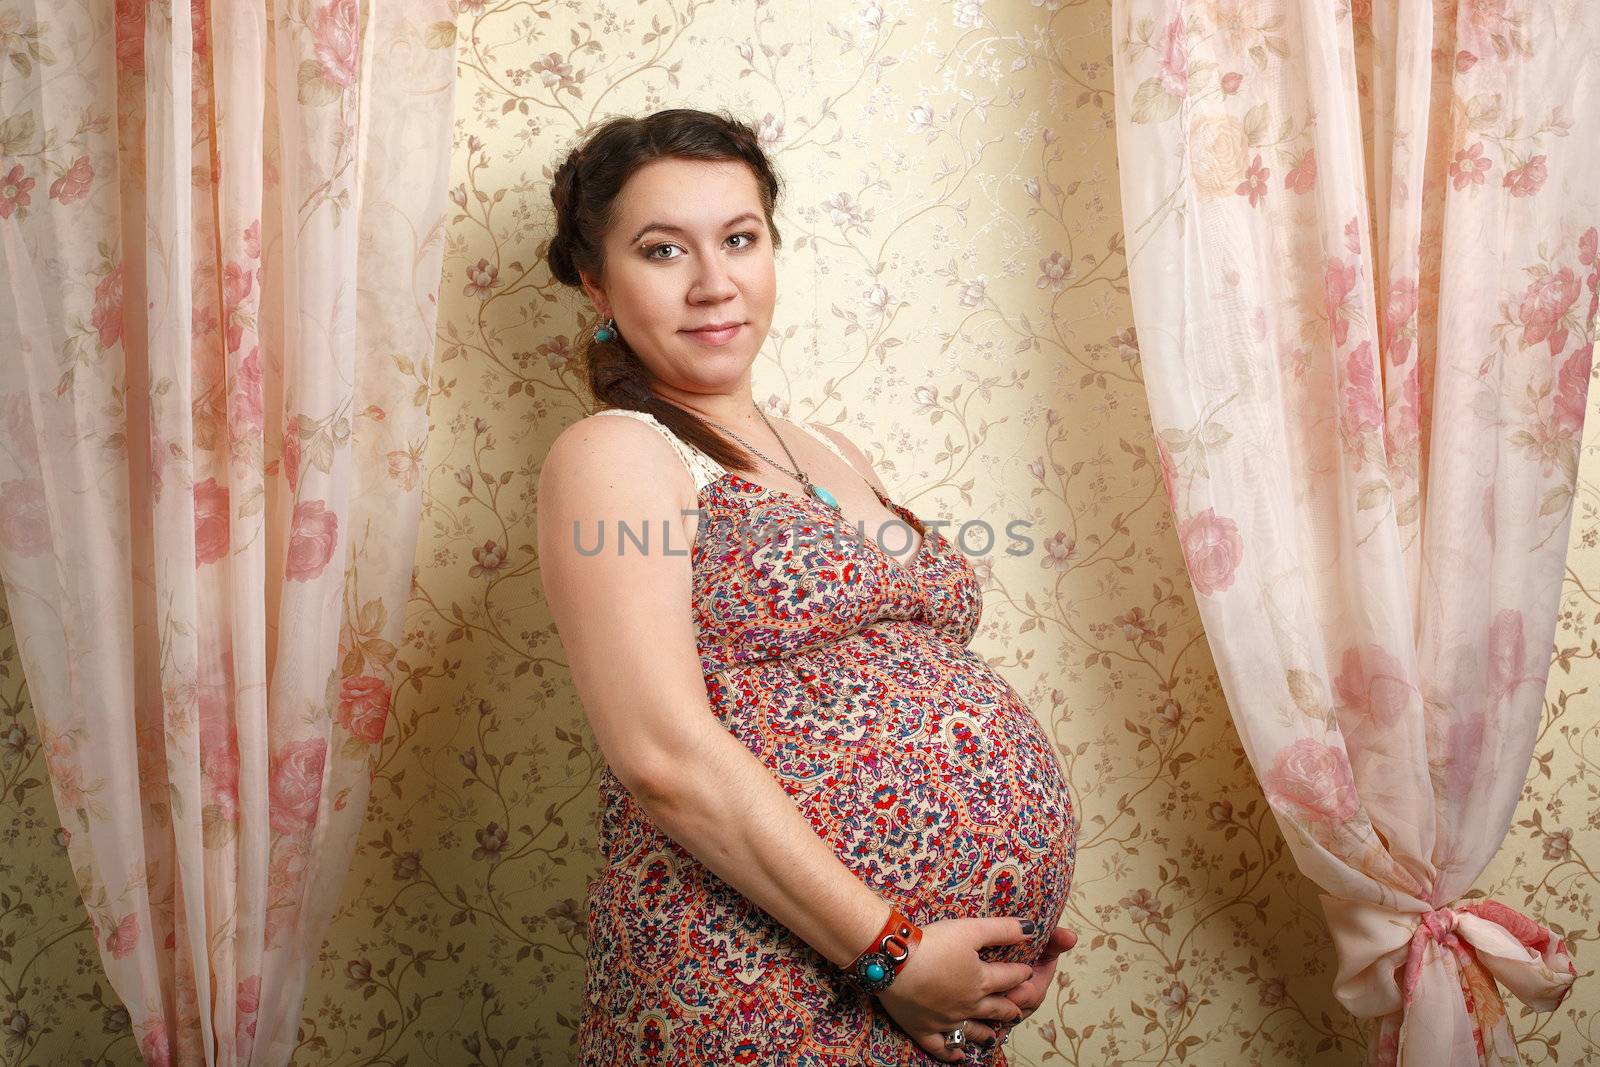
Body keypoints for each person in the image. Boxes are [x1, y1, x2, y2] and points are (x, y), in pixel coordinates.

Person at [535, 108, 1079, 1065]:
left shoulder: (832, 450)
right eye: (663, 251)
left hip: (912, 994)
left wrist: (996, 956)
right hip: (755, 980)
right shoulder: (617, 453)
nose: (714, 284)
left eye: (739, 240)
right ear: (596, 281)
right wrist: (896, 954)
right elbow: (661, 753)